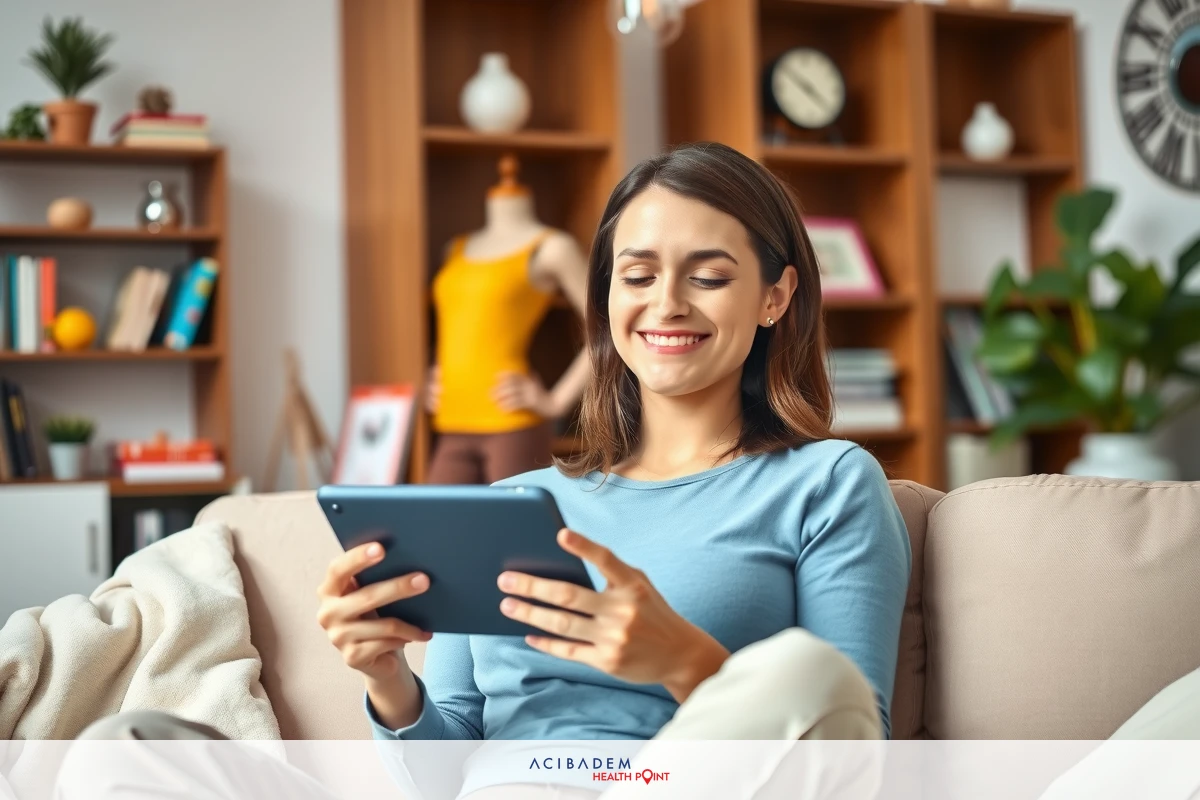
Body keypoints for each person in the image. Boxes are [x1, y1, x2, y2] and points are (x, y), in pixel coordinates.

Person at [57, 143, 913, 800]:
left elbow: (848, 739)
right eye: (638, 274)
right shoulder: (515, 505)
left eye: (711, 276)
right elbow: (445, 760)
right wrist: (386, 680)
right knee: (122, 751)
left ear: (776, 296)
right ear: (605, 299)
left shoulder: (827, 483)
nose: (667, 304)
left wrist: (678, 659)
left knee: (808, 675)